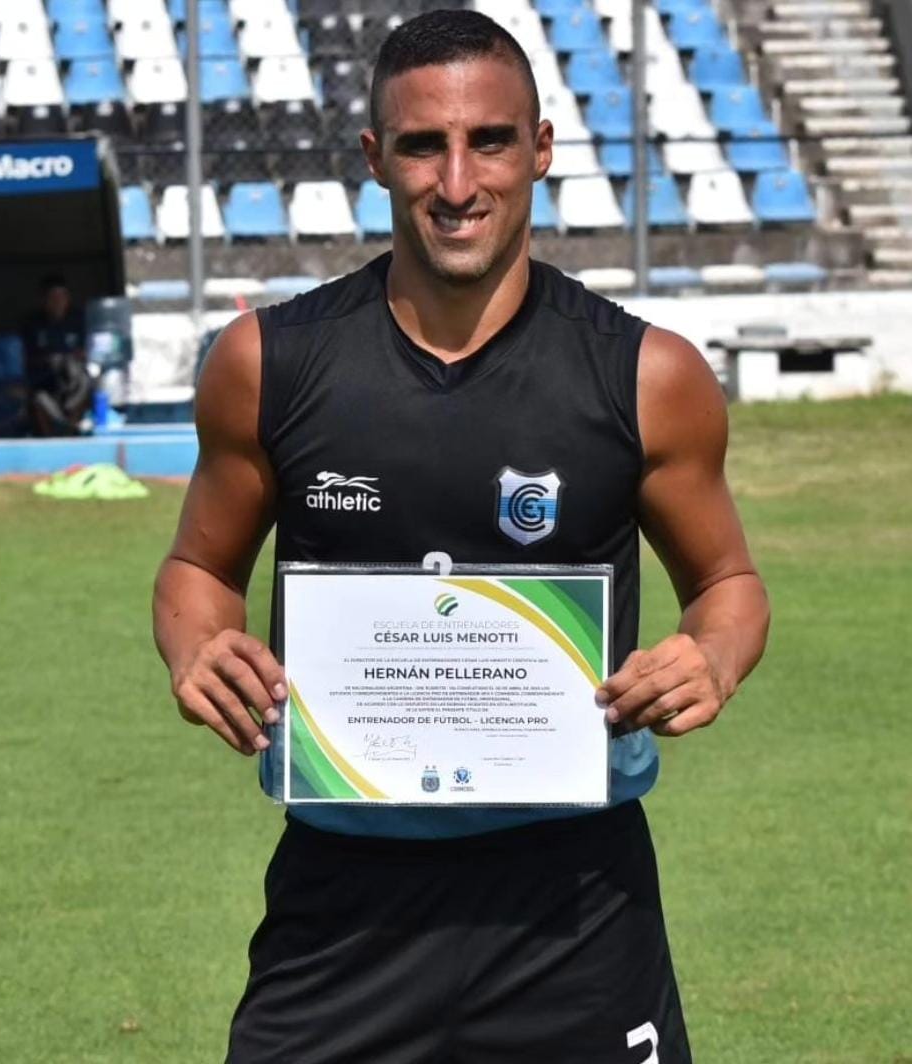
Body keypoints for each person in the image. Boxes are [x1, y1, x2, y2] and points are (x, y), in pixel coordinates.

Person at [152, 11, 770, 1062]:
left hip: (577, 906)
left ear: (540, 149)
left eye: (489, 141)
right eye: (421, 146)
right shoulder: (267, 363)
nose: (456, 182)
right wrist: (197, 644)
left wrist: (709, 656)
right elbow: (197, 567)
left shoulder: (647, 375)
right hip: (342, 909)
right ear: (372, 158)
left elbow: (729, 583)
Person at [22, 274, 93, 436]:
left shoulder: (78, 320)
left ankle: (73, 429)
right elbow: (27, 358)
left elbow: (88, 352)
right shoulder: (33, 324)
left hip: (73, 380)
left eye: (62, 297)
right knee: (38, 398)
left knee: (85, 382)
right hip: (45, 379)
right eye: (52, 297)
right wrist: (51, 360)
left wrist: (70, 358)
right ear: (43, 300)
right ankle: (49, 438)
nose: (58, 302)